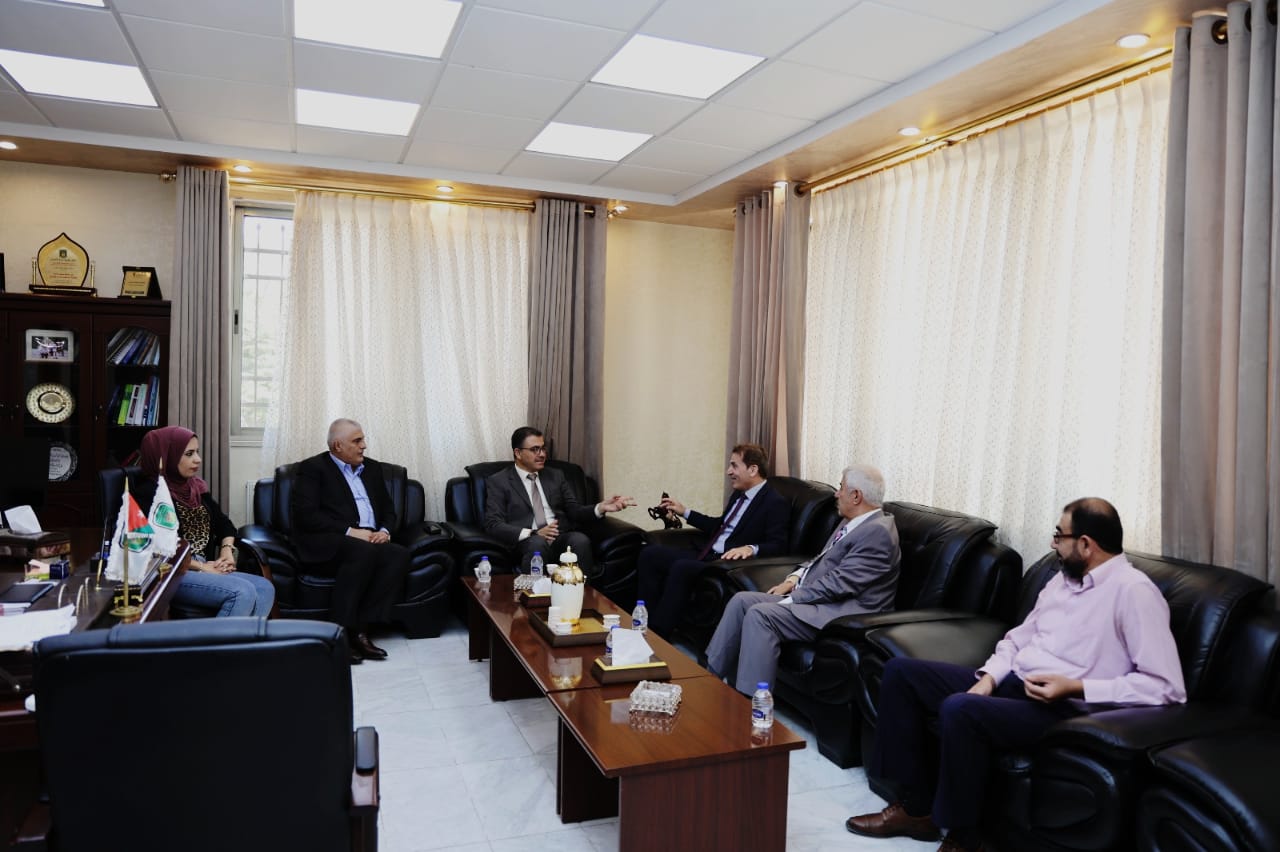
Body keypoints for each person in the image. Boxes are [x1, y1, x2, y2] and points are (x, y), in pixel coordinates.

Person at [846, 498, 1186, 852]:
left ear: (1086, 544)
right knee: (901, 673)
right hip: (1015, 683)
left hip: (1064, 710)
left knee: (960, 710)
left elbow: (1166, 687)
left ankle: (964, 839)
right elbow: (1017, 639)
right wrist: (988, 679)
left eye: (1059, 535)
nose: (1053, 543)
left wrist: (1077, 687)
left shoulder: (1134, 593)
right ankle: (916, 810)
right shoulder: (1062, 580)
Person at [706, 463, 899, 694]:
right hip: (821, 600)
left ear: (856, 496)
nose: (836, 494)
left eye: (841, 488)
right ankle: (708, 679)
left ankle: (751, 703)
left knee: (760, 614)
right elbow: (822, 560)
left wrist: (793, 598)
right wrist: (792, 580)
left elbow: (839, 583)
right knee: (740, 601)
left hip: (842, 614)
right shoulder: (853, 521)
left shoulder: (877, 532)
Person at [635, 443, 790, 637]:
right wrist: (684, 511)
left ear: (752, 470)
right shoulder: (739, 494)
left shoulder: (775, 502)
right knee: (650, 554)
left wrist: (751, 548)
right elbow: (720, 526)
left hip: (726, 562)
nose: (728, 471)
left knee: (682, 567)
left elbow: (779, 545)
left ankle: (658, 634)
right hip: (707, 552)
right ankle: (643, 624)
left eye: (734, 465)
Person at [292, 418, 410, 663]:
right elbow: (306, 515)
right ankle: (340, 634)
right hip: (329, 541)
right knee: (362, 551)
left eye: (363, 439)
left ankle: (360, 629)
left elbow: (389, 509)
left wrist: (385, 531)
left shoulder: (373, 468)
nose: (363, 445)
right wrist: (350, 531)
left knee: (398, 554)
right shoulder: (313, 469)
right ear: (338, 445)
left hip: (369, 540)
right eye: (357, 441)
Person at [134, 425, 275, 618]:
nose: (198, 459)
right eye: (189, 454)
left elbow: (224, 524)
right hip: (172, 573)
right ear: (167, 457)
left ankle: (244, 638)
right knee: (242, 592)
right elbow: (159, 549)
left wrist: (226, 552)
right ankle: (219, 639)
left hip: (204, 567)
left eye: (197, 452)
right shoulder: (150, 493)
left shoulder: (195, 487)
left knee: (265, 588)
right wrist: (202, 567)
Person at [483, 426, 634, 574]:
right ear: (518, 453)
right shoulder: (499, 481)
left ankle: (582, 589)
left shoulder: (555, 476)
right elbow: (493, 524)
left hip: (559, 538)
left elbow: (575, 511)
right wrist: (534, 533)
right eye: (535, 449)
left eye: (543, 448)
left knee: (579, 540)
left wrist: (600, 507)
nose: (542, 454)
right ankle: (533, 591)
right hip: (527, 543)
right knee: (537, 543)